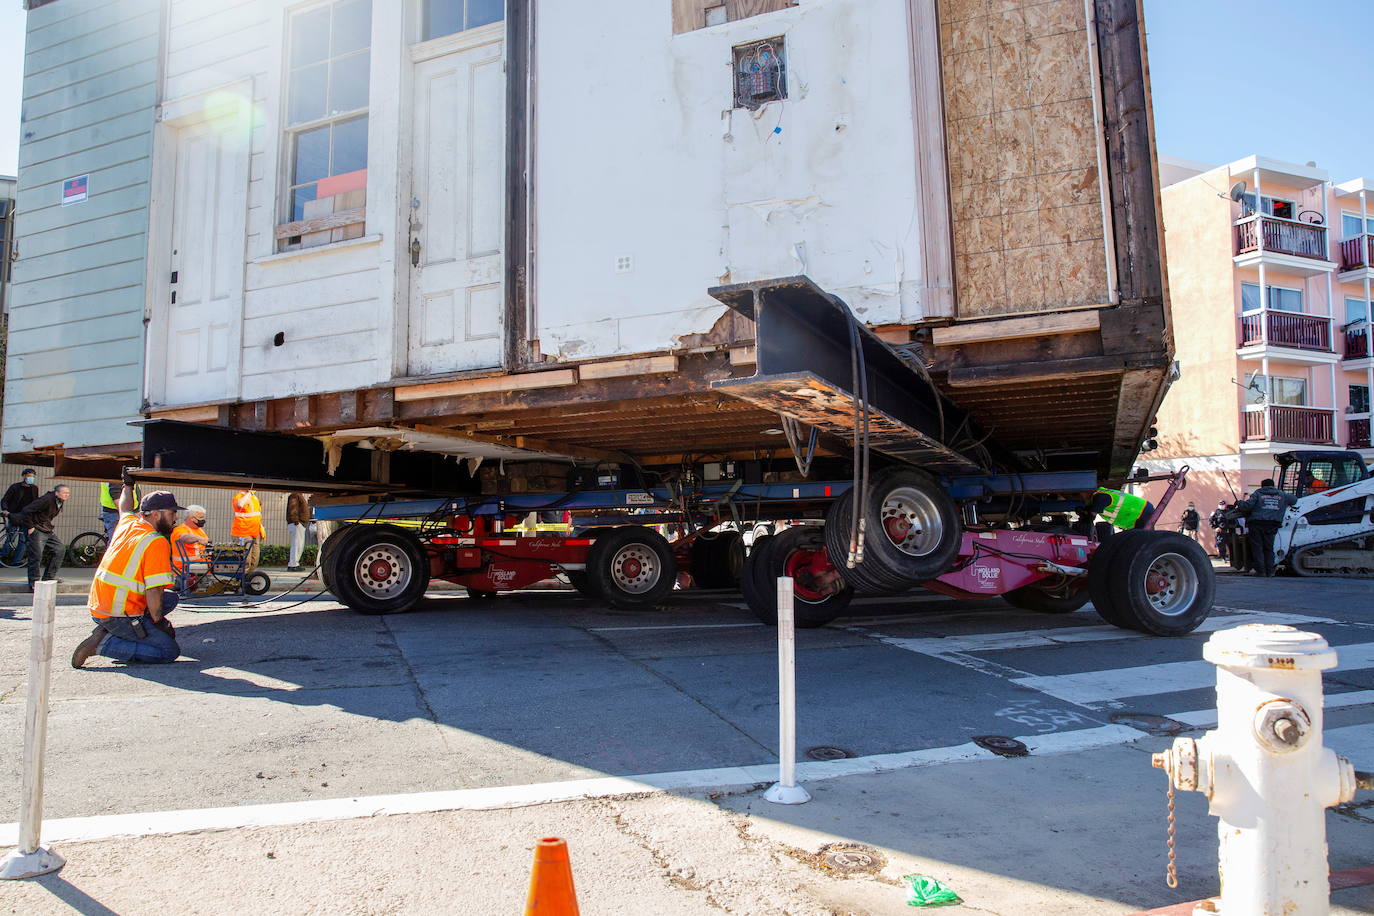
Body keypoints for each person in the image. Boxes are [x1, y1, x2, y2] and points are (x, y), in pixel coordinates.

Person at [71, 487, 184, 667]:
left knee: (171, 599)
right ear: (156, 514)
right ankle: (103, 644)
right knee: (168, 651)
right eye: (172, 513)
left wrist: (128, 486)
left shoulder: (128, 523)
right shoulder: (156, 541)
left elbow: (125, 507)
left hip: (100, 604)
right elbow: (154, 590)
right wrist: (159, 622)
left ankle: (112, 631)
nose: (175, 518)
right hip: (118, 613)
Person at [12, 484, 69, 592]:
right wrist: (30, 526)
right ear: (56, 493)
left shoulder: (59, 501)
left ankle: (48, 577)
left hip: (46, 528)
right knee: (36, 555)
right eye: (64, 492)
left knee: (60, 549)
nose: (67, 495)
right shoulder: (46, 499)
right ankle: (34, 582)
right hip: (36, 528)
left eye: (68, 493)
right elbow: (26, 510)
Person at [1237, 478, 1297, 577]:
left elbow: (1247, 506)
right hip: (1272, 525)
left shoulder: (1258, 493)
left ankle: (1261, 571)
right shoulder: (1282, 494)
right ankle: (1270, 571)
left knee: (1258, 548)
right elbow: (1294, 500)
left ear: (1262, 485)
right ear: (1273, 485)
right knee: (1269, 548)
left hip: (1256, 524)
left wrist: (1239, 503)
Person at [1089, 486, 1156, 531]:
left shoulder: (1100, 496)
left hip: (1139, 513)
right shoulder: (1103, 494)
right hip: (1138, 516)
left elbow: (1091, 516)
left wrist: (1087, 513)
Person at [231, 488, 265, 572]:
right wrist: (249, 493)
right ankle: (242, 577)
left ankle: (249, 576)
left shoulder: (254, 498)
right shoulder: (239, 497)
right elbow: (240, 504)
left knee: (255, 558)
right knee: (246, 559)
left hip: (255, 531)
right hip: (243, 532)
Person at [170, 504, 211, 572]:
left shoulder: (199, 530)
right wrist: (198, 539)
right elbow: (184, 537)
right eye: (201, 517)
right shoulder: (179, 530)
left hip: (201, 569)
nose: (203, 520)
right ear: (192, 518)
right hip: (184, 571)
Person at [286, 491, 310, 572]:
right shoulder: (295, 495)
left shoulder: (297, 495)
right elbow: (293, 508)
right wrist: (296, 520)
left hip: (298, 523)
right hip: (297, 523)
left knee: (298, 545)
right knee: (296, 545)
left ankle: (294, 564)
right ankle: (293, 565)